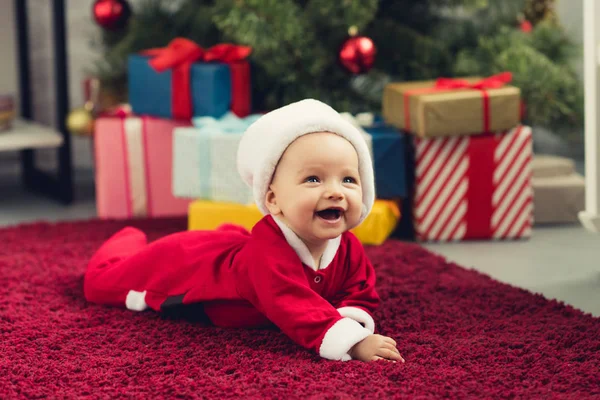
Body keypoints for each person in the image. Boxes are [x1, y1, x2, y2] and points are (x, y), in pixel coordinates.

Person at [84, 99, 404, 363]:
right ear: (273, 200)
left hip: (241, 255)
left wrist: (351, 315)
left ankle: (229, 236)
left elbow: (360, 288)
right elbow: (290, 301)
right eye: (314, 179)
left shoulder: (347, 247)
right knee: (103, 282)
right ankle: (127, 238)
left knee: (234, 245)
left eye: (348, 179)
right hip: (192, 269)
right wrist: (352, 341)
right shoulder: (266, 256)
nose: (336, 192)